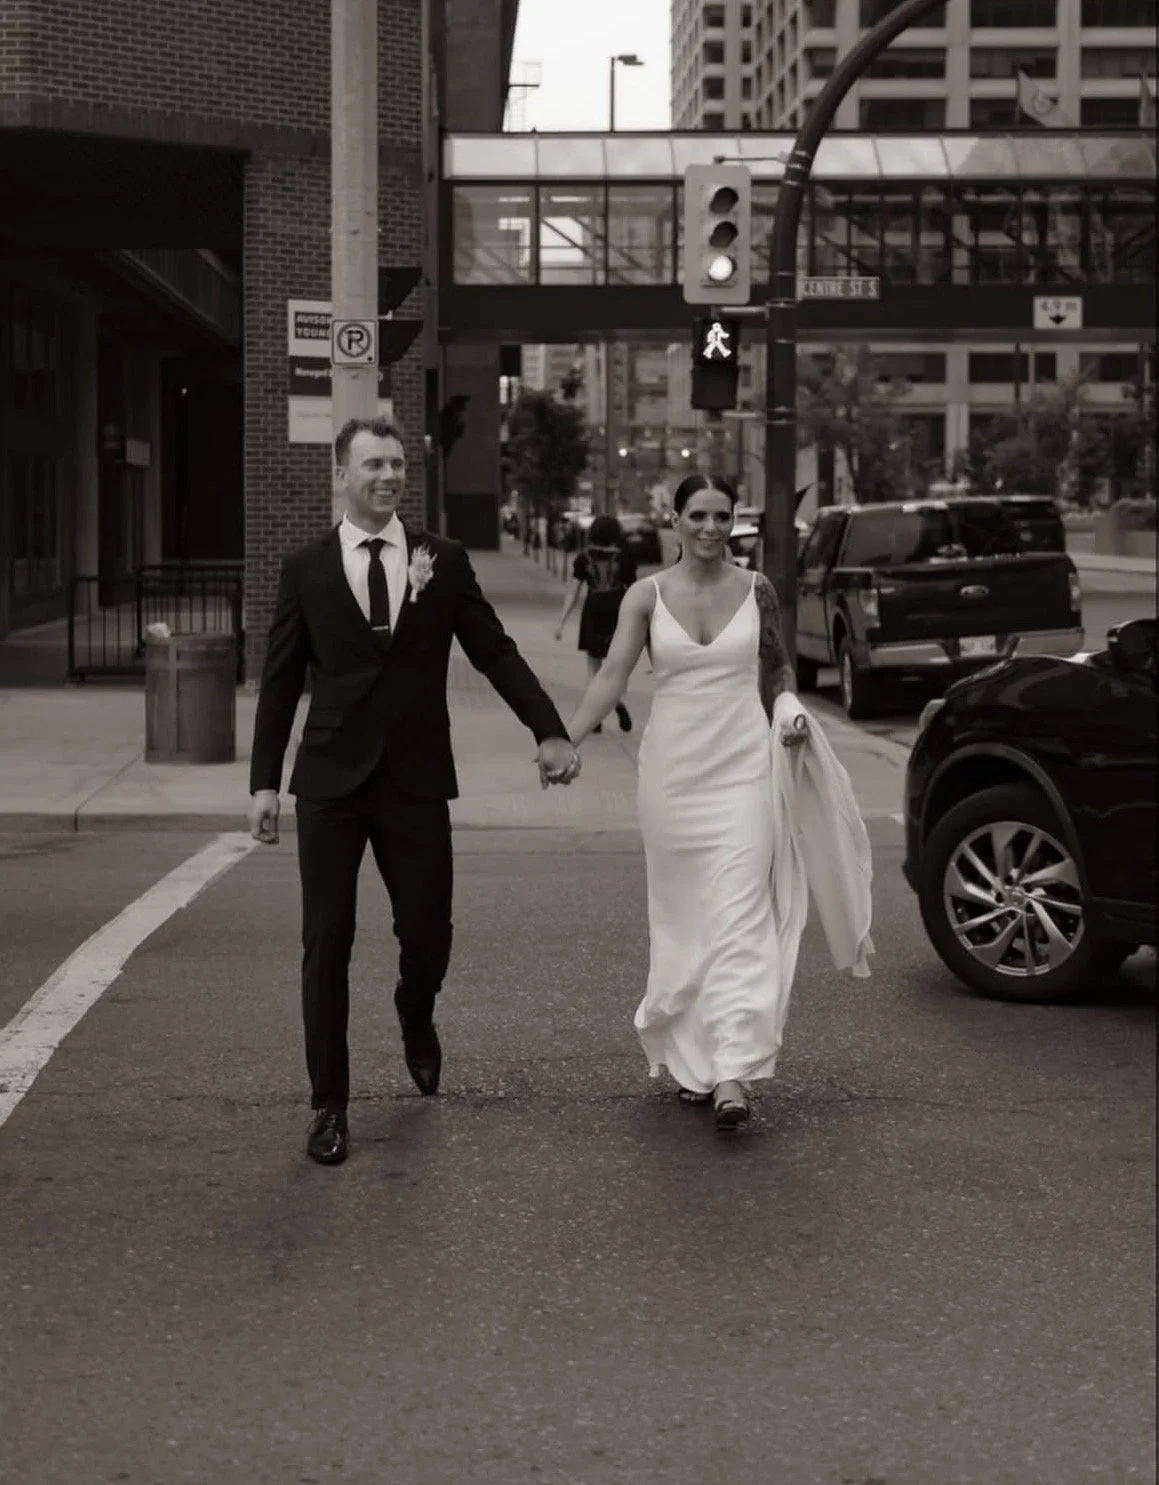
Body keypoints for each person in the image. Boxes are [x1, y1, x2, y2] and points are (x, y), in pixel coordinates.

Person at [248, 417, 580, 1166]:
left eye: (397, 464)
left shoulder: (442, 560)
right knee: (325, 943)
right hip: (330, 780)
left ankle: (414, 1007)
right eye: (372, 464)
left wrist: (549, 731)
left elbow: (494, 650)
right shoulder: (304, 568)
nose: (388, 475)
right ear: (341, 475)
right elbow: (278, 683)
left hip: (416, 778)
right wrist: (263, 782)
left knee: (427, 934)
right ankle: (328, 1105)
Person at [564, 474, 813, 1132]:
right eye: (697, 514)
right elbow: (613, 672)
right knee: (683, 920)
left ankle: (730, 1067)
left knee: (738, 914)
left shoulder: (756, 588)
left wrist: (786, 710)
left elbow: (779, 667)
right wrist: (565, 741)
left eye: (721, 515)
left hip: (742, 772)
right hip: (673, 777)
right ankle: (690, 1057)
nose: (709, 526)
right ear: (673, 519)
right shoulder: (645, 596)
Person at [554, 514, 636, 734]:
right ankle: (617, 701)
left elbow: (573, 592)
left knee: (593, 668)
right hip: (618, 616)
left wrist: (561, 622)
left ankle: (595, 716)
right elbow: (635, 591)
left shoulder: (583, 559)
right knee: (617, 667)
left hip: (592, 615)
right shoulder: (625, 558)